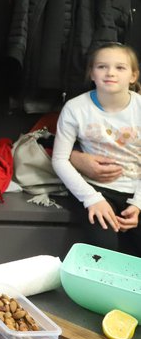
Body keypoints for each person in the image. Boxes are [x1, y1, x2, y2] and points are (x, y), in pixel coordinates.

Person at [51, 42, 141, 256]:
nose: (110, 73)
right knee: (105, 249)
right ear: (91, 73)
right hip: (95, 187)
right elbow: (60, 159)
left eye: (120, 67)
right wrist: (92, 198)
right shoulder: (75, 108)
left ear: (133, 76)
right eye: (102, 67)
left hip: (135, 188)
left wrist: (138, 204)